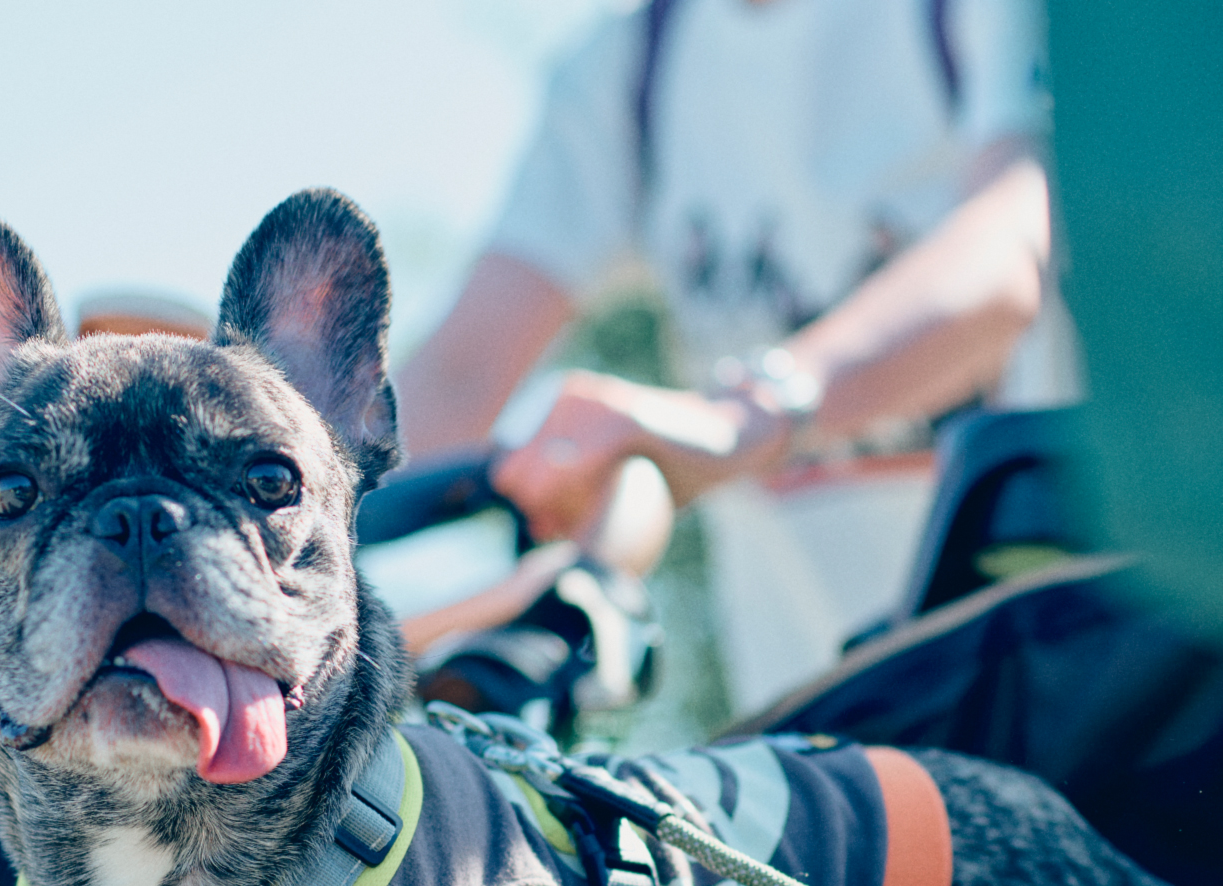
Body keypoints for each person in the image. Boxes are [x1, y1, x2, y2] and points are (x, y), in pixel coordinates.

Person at [395, 0, 1079, 713]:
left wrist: (744, 417)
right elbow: (456, 377)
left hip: (1054, 685)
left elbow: (1010, 247)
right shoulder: (630, 67)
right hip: (819, 718)